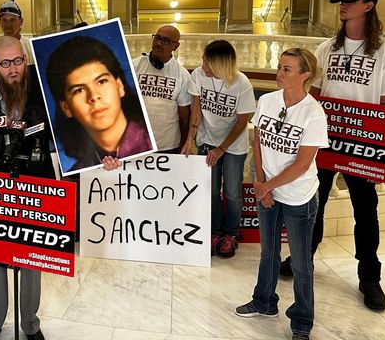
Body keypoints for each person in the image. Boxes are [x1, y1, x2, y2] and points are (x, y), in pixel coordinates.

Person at [280, 0, 385, 311]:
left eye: (350, 2)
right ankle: (303, 258)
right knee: (314, 202)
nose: (343, 6)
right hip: (326, 138)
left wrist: (384, 153)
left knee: (365, 210)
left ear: (368, 5)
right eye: (341, 2)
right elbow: (316, 94)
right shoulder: (326, 48)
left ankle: (369, 277)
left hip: (363, 142)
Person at [235, 48, 328, 340]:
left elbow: (302, 163)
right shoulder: (268, 101)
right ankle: (264, 301)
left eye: (287, 69)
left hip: (299, 196)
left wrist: (267, 186)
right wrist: (260, 181)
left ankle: (302, 320)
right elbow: (258, 140)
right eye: (279, 67)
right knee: (268, 253)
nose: (279, 73)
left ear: (305, 75)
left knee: (300, 262)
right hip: (268, 191)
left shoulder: (313, 113)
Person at [0, 35, 52, 340]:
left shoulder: (43, 89)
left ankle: (30, 325)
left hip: (37, 179)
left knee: (31, 254)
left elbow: (72, 129)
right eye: (5, 63)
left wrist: (103, 154)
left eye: (18, 61)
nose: (13, 69)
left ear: (26, 59)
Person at [181, 40, 256, 258]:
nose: (202, 65)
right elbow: (196, 110)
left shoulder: (242, 84)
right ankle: (213, 232)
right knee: (211, 190)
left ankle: (230, 235)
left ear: (221, 64)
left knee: (232, 192)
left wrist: (222, 149)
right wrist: (190, 140)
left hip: (233, 147)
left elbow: (243, 121)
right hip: (207, 141)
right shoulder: (198, 76)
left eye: (207, 62)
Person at [46, 35, 152, 171]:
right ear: (66, 107)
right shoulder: (79, 171)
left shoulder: (151, 150)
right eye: (79, 90)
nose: (94, 96)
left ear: (119, 86)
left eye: (101, 81)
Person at [134, 25, 191, 153]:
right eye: (157, 38)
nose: (158, 43)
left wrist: (184, 143)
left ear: (175, 46)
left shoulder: (182, 75)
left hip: (168, 146)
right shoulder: (134, 66)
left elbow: (185, 116)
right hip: (136, 144)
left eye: (165, 41)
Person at [0, 0, 33, 65]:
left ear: (21, 21)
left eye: (12, 20)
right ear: (0, 22)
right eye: (4, 20)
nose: (8, 25)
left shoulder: (31, 48)